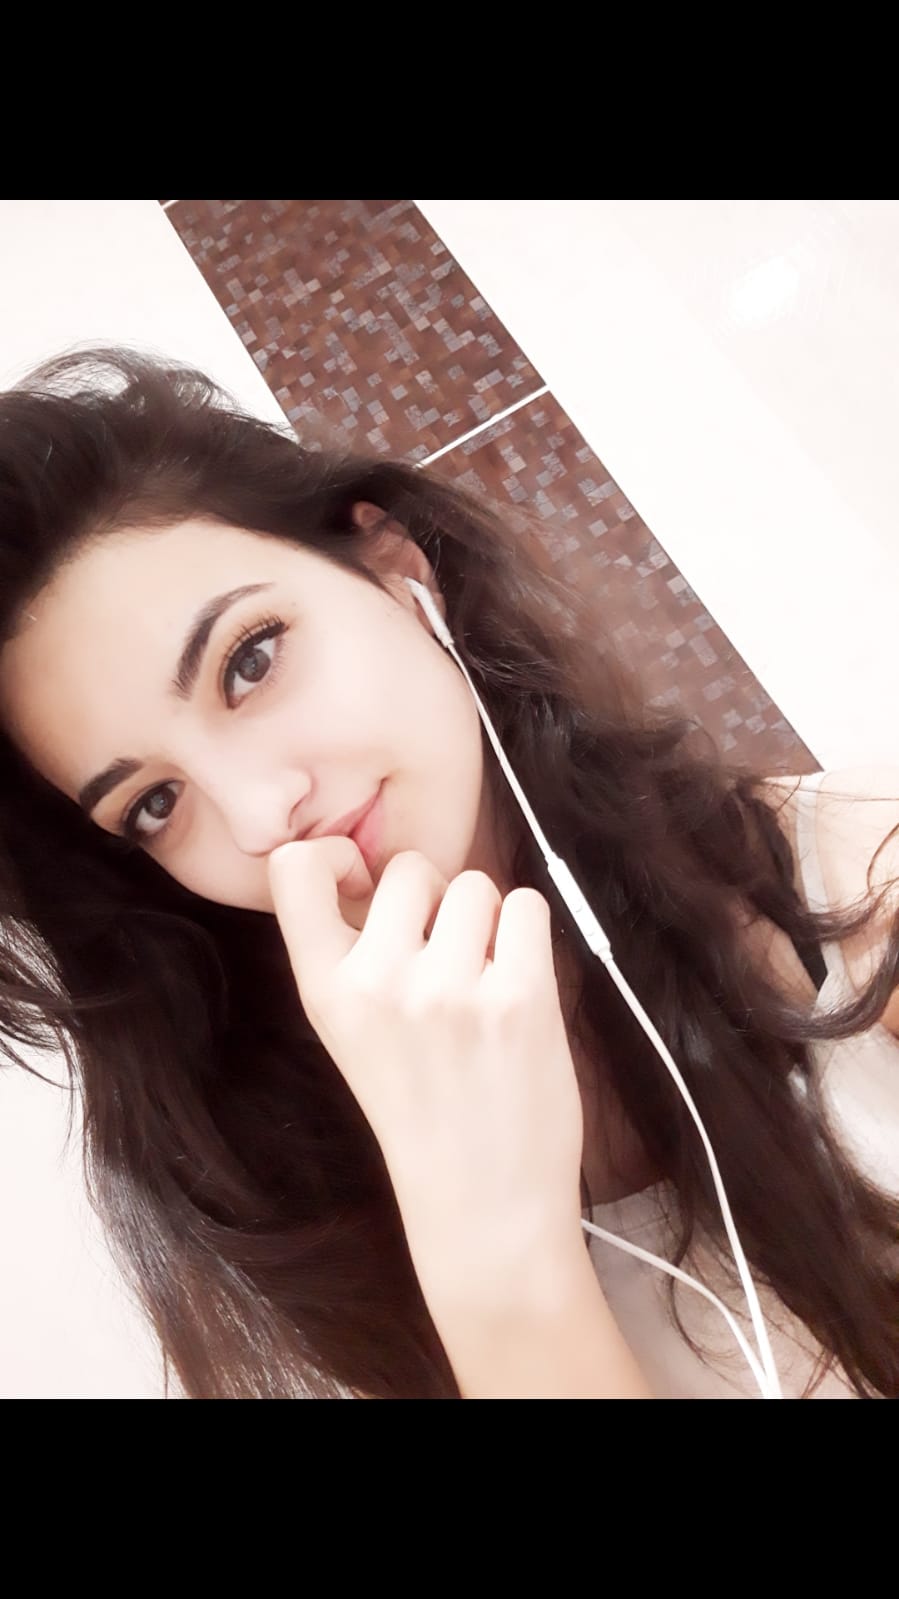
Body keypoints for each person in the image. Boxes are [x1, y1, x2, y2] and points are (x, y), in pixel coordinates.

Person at [0, 347, 897, 1400]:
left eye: (250, 660)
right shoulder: (272, 1227)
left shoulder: (855, 882)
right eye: (154, 803)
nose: (257, 815)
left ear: (396, 571)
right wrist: (484, 1247)